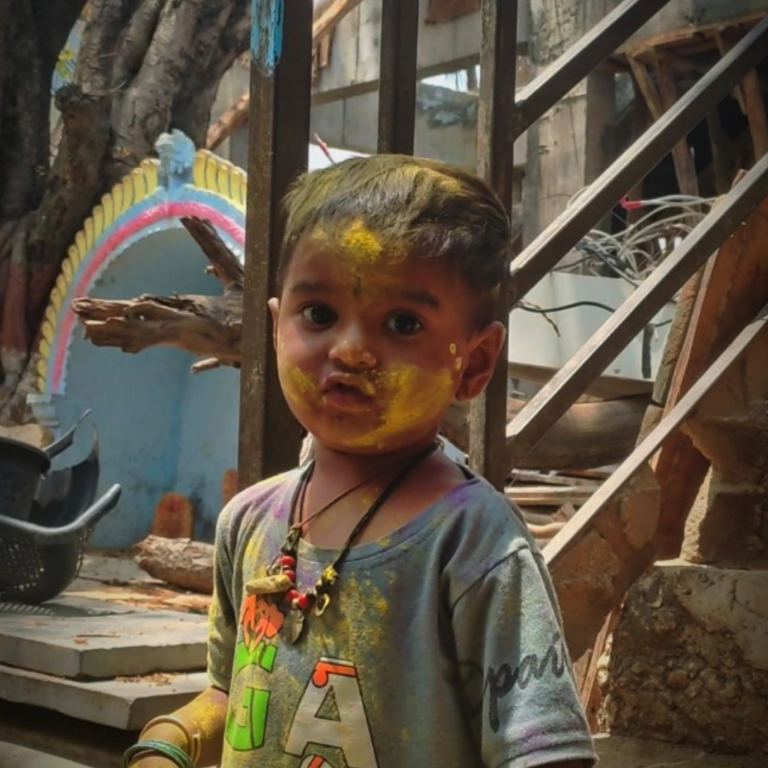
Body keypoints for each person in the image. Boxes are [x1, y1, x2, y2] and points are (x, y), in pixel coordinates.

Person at [124, 155, 597, 768]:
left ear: (475, 363)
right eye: (319, 315)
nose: (349, 350)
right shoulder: (248, 521)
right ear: (276, 327)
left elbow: (544, 755)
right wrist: (170, 743)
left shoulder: (474, 543)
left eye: (402, 323)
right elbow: (228, 693)